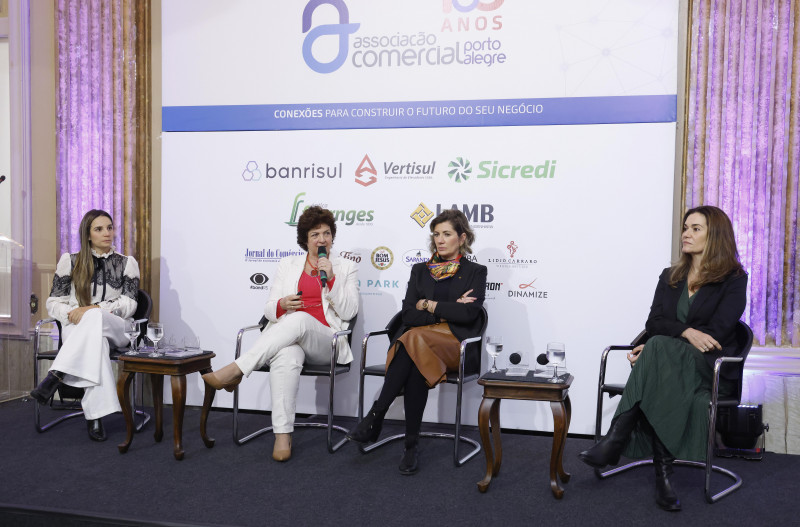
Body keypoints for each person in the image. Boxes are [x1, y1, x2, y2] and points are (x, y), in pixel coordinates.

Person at [578, 205, 748, 511]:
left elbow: (718, 332)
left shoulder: (734, 279)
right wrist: (682, 335)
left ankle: (616, 439)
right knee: (658, 352)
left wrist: (662, 347)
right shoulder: (670, 276)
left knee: (656, 347)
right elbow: (654, 323)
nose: (686, 233)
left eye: (696, 228)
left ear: (716, 235)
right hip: (671, 366)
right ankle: (664, 476)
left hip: (709, 368)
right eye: (685, 227)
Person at [202, 206, 358, 462]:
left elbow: (350, 310)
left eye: (326, 233)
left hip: (326, 341)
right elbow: (269, 308)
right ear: (305, 240)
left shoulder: (346, 267)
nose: (321, 239)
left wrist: (331, 278)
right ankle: (283, 435)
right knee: (285, 354)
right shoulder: (288, 264)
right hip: (291, 338)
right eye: (315, 234)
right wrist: (281, 305)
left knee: (298, 319)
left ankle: (236, 370)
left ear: (332, 236)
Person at [347, 209, 487, 475]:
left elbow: (468, 315)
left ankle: (376, 415)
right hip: (421, 345)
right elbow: (408, 313)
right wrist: (447, 308)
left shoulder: (476, 272)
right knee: (415, 357)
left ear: (463, 237)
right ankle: (410, 446)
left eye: (447, 234)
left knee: (411, 338)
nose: (440, 240)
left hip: (455, 345)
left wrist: (429, 304)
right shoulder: (420, 270)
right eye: (436, 234)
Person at [30, 209, 140, 442]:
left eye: (109, 227)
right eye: (99, 229)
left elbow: (130, 304)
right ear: (88, 234)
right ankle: (95, 417)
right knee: (95, 344)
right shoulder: (69, 261)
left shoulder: (126, 263)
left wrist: (91, 310)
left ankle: (57, 374)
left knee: (95, 318)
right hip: (77, 325)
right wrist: (73, 314)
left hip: (117, 327)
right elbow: (53, 303)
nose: (107, 233)